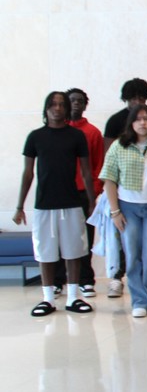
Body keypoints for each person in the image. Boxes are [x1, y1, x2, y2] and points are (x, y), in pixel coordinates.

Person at [15, 92, 96, 316]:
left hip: (71, 202)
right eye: (53, 104)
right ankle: (48, 299)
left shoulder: (76, 136)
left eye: (62, 105)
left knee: (74, 251)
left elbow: (87, 172)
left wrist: (92, 201)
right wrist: (20, 206)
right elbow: (28, 173)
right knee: (46, 252)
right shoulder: (35, 137)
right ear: (46, 109)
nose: (58, 108)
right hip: (44, 204)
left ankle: (72, 297)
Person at [99, 104, 147, 317]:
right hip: (128, 209)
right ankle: (139, 300)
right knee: (132, 255)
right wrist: (115, 211)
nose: (142, 123)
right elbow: (109, 179)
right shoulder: (119, 146)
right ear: (131, 123)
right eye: (138, 119)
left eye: (146, 118)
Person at [53, 88, 104, 298]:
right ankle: (57, 280)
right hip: (59, 193)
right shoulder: (56, 131)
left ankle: (85, 279)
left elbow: (98, 166)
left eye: (80, 101)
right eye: (72, 100)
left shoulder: (92, 132)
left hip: (83, 194)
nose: (76, 104)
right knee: (57, 238)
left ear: (85, 105)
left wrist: (94, 194)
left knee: (84, 238)